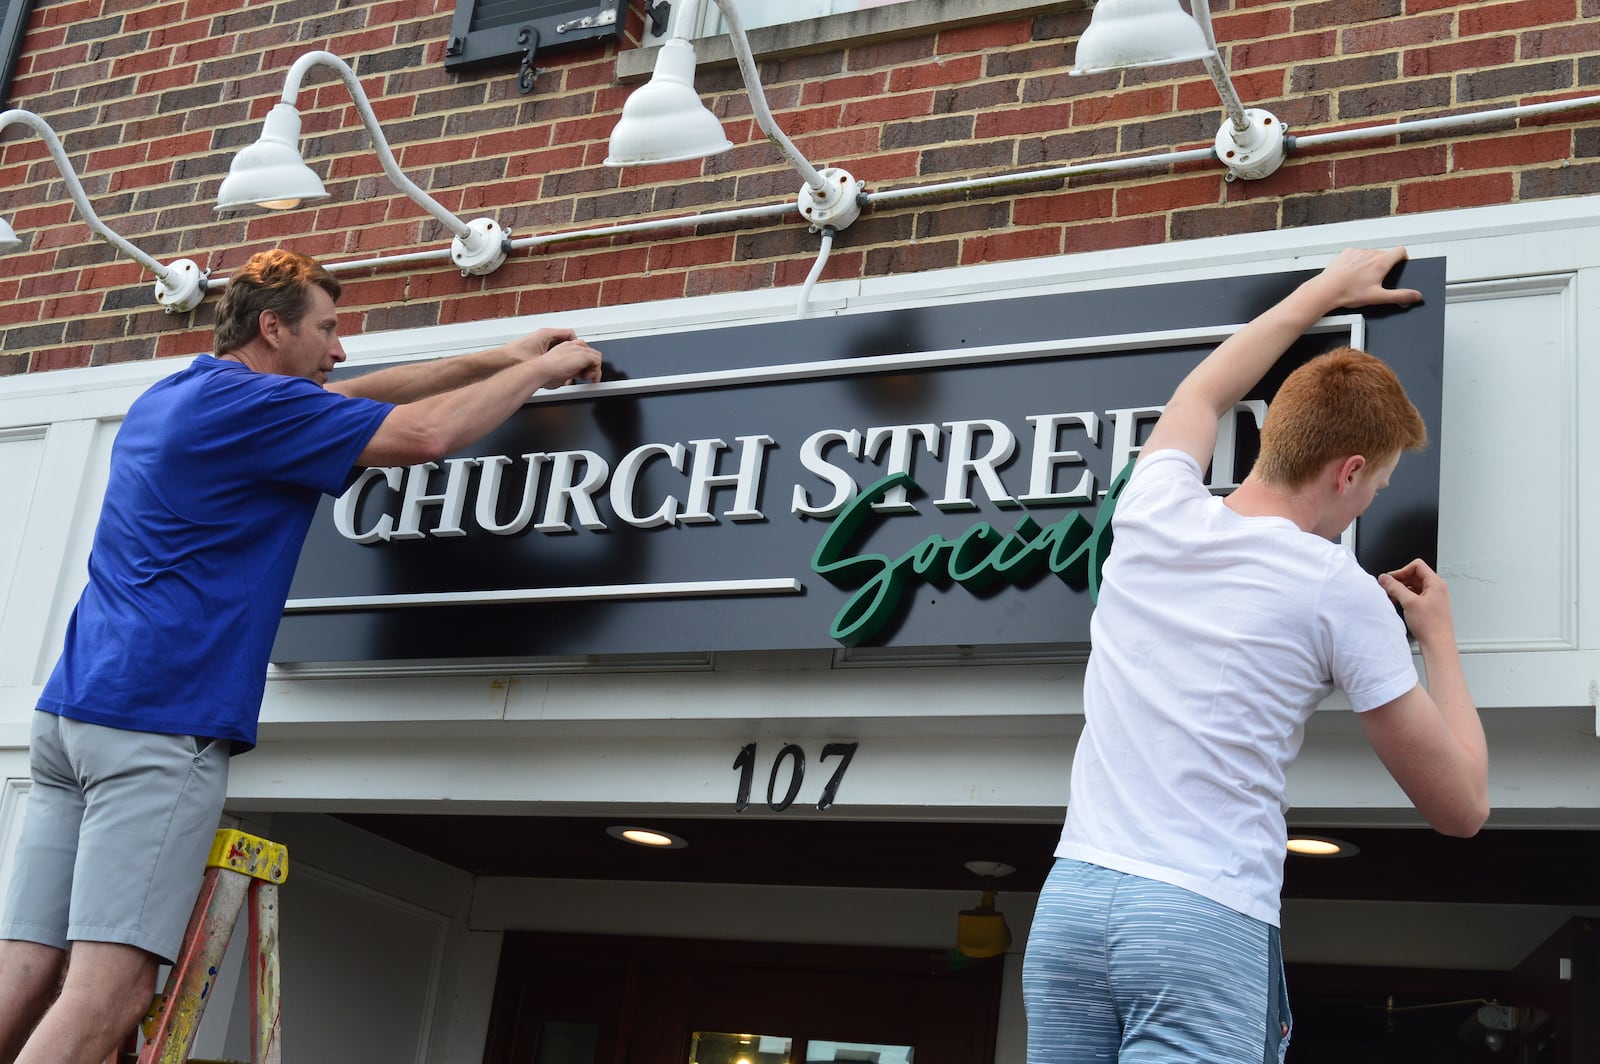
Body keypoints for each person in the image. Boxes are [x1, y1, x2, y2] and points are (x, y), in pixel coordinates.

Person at [0, 248, 603, 1064]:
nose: (341, 349)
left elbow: (360, 395)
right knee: (110, 992)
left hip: (72, 715)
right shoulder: (256, 412)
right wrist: (551, 369)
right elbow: (423, 437)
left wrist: (506, 354)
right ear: (273, 327)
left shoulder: (177, 394)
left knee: (26, 962)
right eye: (327, 329)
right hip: (159, 721)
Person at [1022, 246, 1489, 1063]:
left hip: (1073, 900)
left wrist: (1325, 291)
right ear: (1350, 471)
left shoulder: (1154, 508)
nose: (1373, 499)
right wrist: (1440, 638)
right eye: (1377, 483)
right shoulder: (1333, 588)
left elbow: (1204, 390)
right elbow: (1463, 809)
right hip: (1200, 917)